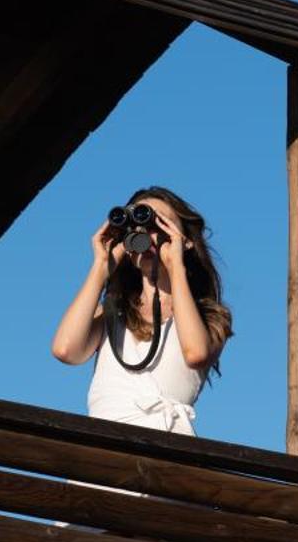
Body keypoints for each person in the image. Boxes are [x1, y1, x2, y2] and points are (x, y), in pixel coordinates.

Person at [49, 186, 234, 436]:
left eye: (159, 224)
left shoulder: (210, 317)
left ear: (186, 241)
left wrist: (175, 266)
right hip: (102, 450)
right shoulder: (112, 312)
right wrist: (101, 266)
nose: (147, 233)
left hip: (168, 451)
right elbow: (65, 350)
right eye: (137, 223)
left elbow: (195, 353)